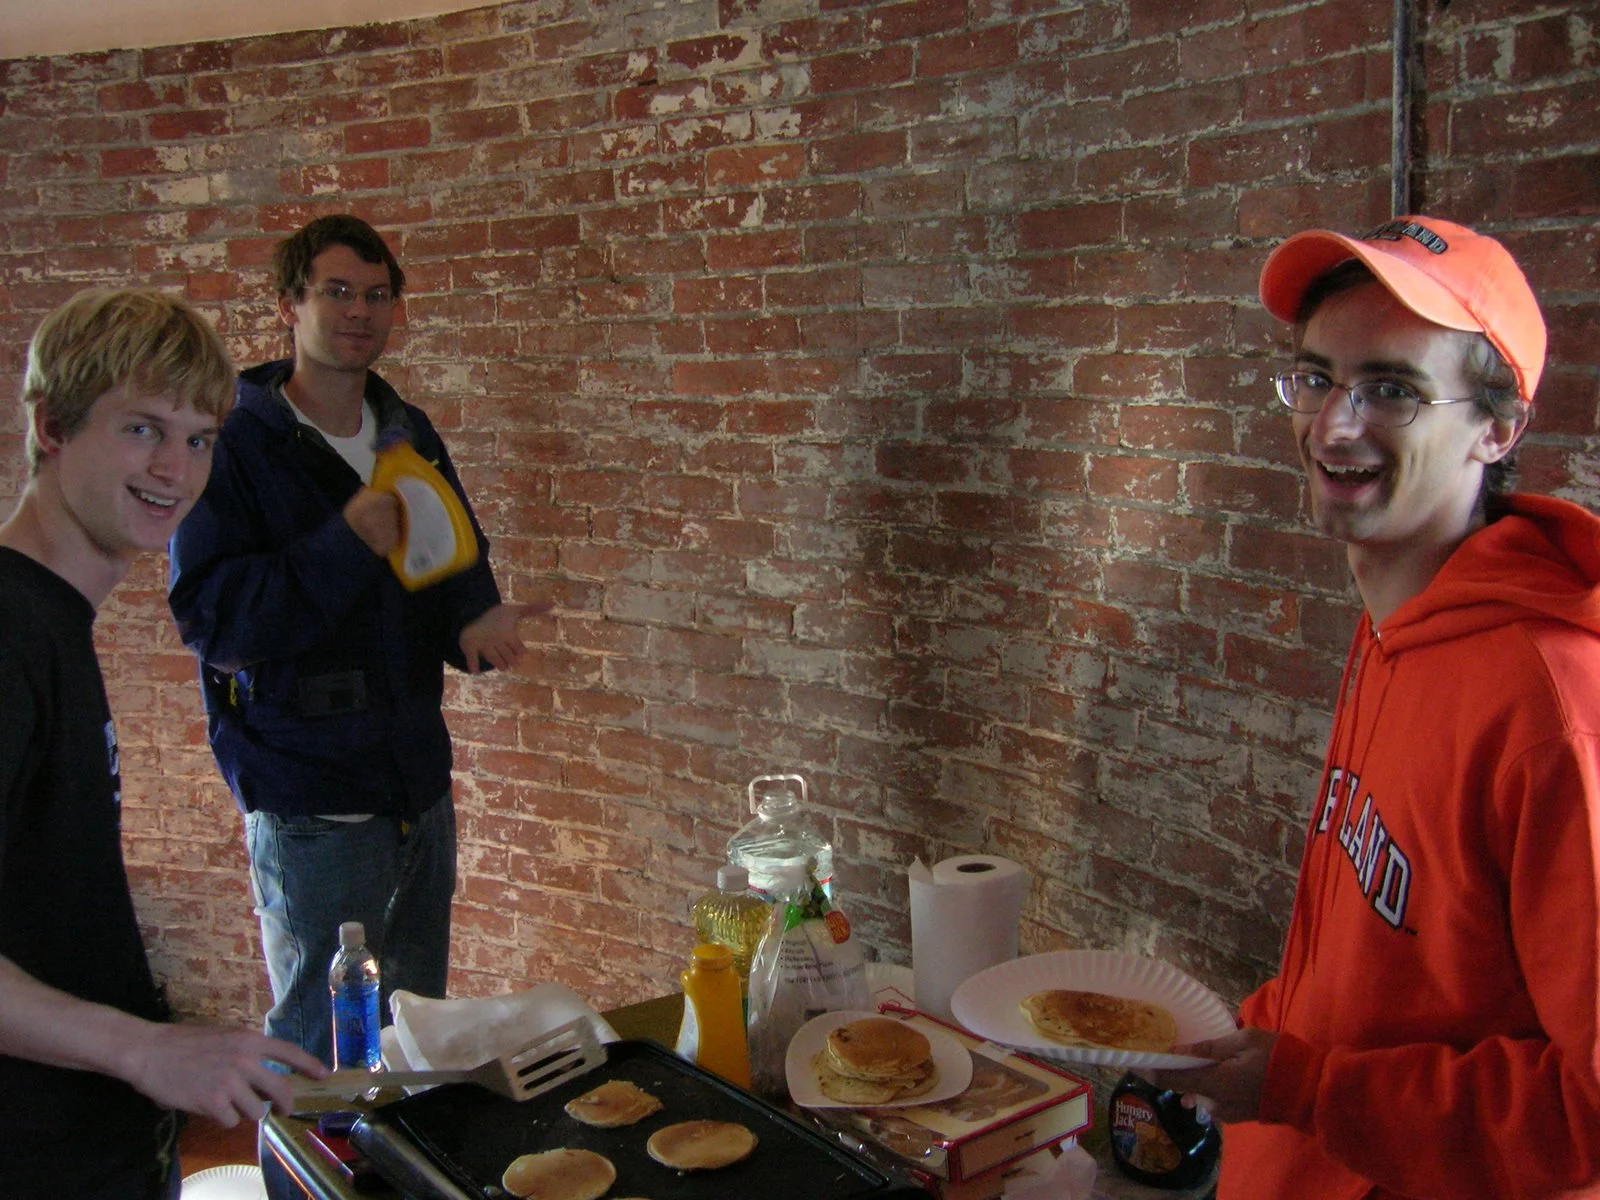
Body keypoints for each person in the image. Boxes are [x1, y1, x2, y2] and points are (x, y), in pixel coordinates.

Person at [1150, 216, 1600, 1198]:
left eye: (1390, 390)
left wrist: (1307, 1086)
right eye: (1314, 379)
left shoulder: (1553, 705)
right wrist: (1253, 1046)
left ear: (1498, 426)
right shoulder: (1399, 624)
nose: (1333, 426)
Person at [167, 214, 542, 1077]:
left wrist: (473, 625)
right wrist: (346, 539)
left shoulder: (404, 427)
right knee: (313, 1051)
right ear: (289, 304)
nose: (359, 312)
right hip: (310, 800)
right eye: (336, 291)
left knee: (415, 1035)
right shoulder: (236, 444)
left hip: (416, 784)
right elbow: (216, 624)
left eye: (377, 295)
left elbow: (453, 564)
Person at [0, 289, 325, 1200]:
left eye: (199, 439)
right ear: (52, 426)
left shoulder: (51, 622)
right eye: (142, 429)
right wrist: (144, 1049)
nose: (176, 470)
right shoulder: (9, 632)